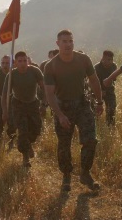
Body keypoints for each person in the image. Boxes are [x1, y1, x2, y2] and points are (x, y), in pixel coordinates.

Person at [44, 30, 104, 191]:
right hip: (62, 106)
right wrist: (60, 115)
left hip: (82, 104)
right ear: (58, 44)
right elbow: (49, 94)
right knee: (64, 144)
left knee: (90, 139)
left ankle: (85, 173)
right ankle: (66, 176)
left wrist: (99, 102)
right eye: (64, 41)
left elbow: (94, 80)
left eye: (70, 41)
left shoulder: (83, 59)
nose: (68, 44)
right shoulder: (51, 66)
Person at [2, 51, 45, 167]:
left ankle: (29, 144)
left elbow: (44, 87)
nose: (22, 63)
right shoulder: (11, 75)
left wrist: (44, 104)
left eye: (25, 60)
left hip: (33, 103)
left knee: (36, 130)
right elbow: (5, 94)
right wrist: (5, 111)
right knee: (23, 131)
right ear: (15, 63)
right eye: (19, 61)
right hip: (18, 104)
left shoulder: (35, 71)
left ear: (28, 61)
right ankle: (25, 157)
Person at [94, 50, 118, 126]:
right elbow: (93, 82)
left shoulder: (114, 66)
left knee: (112, 108)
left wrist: (106, 90)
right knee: (95, 110)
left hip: (109, 91)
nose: (110, 61)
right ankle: (95, 125)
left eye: (111, 59)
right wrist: (100, 91)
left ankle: (110, 126)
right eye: (108, 59)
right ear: (103, 58)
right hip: (96, 91)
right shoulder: (96, 68)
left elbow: (113, 80)